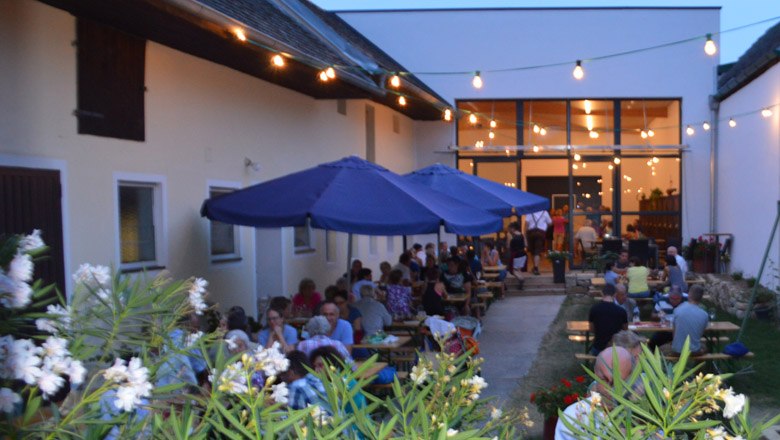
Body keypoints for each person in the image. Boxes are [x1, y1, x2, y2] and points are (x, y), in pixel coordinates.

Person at [555, 347, 634, 439]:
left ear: (632, 378)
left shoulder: (643, 417)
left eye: (619, 382)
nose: (610, 389)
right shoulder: (574, 416)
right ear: (595, 374)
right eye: (604, 379)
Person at [588, 285, 628, 355]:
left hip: (598, 347)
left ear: (602, 293)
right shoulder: (621, 311)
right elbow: (625, 330)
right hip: (616, 348)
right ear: (615, 294)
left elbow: (591, 329)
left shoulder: (594, 309)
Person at [670, 285, 709, 355]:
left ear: (689, 295)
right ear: (701, 297)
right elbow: (700, 334)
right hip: (694, 351)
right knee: (705, 347)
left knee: (662, 348)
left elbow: (674, 333)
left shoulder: (678, 309)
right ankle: (700, 365)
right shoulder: (705, 315)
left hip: (677, 351)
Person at [525, 209, 552, 275]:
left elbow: (526, 224)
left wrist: (525, 235)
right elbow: (550, 223)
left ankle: (534, 266)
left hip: (531, 233)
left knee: (532, 251)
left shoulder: (530, 212)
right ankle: (536, 267)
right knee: (537, 250)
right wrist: (544, 226)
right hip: (540, 233)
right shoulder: (544, 212)